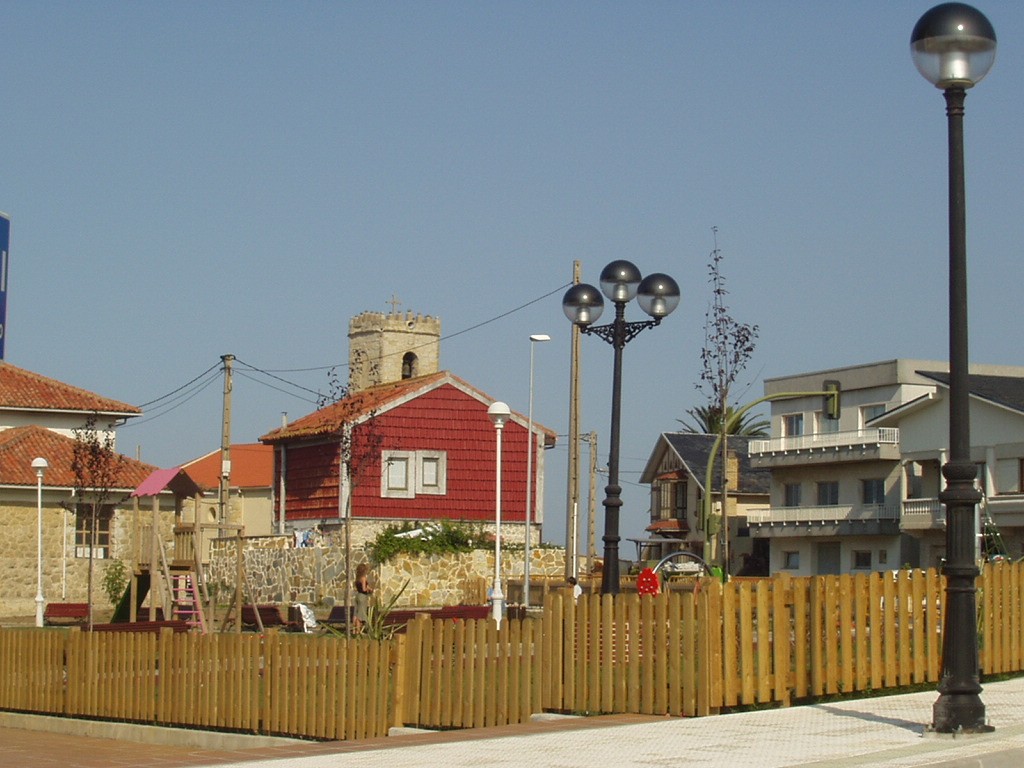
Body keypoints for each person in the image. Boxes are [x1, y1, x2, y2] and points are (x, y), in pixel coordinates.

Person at [353, 563, 373, 633]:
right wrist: (369, 590)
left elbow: (361, 587)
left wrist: (369, 588)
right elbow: (364, 589)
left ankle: (354, 630)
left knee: (356, 613)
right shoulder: (363, 578)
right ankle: (358, 631)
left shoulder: (357, 578)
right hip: (362, 596)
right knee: (360, 615)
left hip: (358, 595)